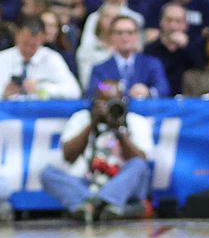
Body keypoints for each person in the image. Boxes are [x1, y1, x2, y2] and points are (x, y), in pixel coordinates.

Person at [40, 83, 153, 222]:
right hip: (88, 183)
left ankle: (93, 205)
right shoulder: (81, 118)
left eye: (112, 103)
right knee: (48, 174)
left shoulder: (136, 121)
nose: (107, 108)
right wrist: (92, 124)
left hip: (122, 185)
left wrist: (119, 131)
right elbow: (68, 156)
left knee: (139, 165)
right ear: (94, 103)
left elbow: (140, 160)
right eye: (102, 103)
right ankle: (106, 206)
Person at [0, 17, 82, 101]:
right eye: (25, 44)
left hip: (41, 117)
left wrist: (41, 88)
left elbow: (74, 91)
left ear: (42, 39)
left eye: (33, 45)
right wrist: (4, 92)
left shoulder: (52, 58)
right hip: (8, 118)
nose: (28, 49)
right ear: (17, 36)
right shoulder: (0, 59)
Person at [86, 15, 171, 99]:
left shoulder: (152, 64)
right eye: (119, 33)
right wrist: (120, 91)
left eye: (130, 32)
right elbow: (97, 88)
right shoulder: (100, 69)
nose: (125, 37)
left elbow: (163, 88)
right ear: (111, 36)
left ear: (137, 36)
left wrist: (148, 92)